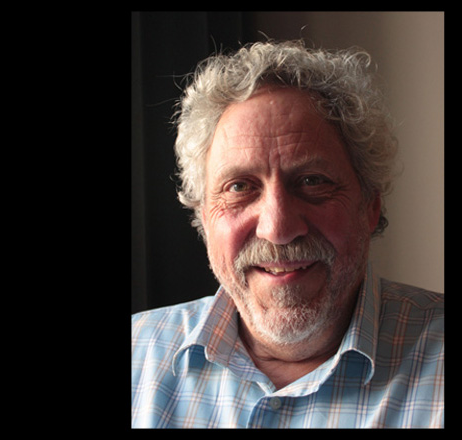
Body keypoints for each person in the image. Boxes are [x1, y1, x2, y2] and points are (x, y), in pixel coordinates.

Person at [131, 40, 444, 429]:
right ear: (204, 216)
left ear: (370, 206)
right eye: (239, 187)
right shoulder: (137, 354)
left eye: (312, 181)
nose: (277, 229)